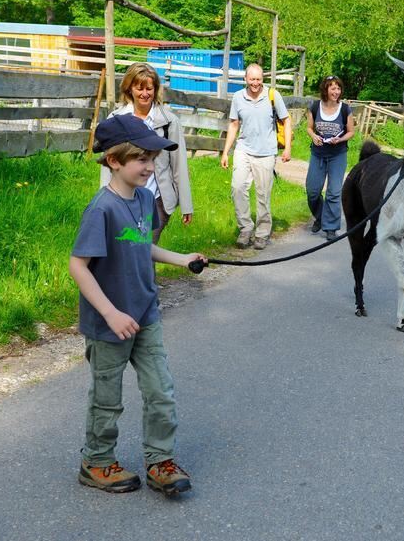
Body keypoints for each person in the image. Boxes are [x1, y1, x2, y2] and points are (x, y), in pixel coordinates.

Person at [69, 114, 207, 497]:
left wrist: (183, 259)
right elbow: (78, 266)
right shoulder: (102, 209)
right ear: (114, 160)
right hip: (110, 324)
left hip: (145, 314)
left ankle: (160, 460)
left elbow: (141, 244)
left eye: (153, 159)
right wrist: (110, 313)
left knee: (160, 391)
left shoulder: (146, 200)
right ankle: (96, 462)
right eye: (142, 159)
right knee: (107, 399)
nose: (150, 167)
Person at [101, 63, 193, 245]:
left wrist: (186, 204)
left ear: (155, 89)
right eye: (139, 88)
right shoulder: (116, 120)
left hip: (157, 201)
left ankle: (145, 273)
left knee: (145, 249)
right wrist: (104, 201)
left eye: (149, 88)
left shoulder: (168, 122)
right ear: (129, 89)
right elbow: (108, 166)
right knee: (127, 250)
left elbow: (179, 163)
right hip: (123, 199)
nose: (145, 94)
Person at [220, 63, 292, 250]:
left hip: (266, 152)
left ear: (263, 79)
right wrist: (226, 152)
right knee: (237, 188)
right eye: (252, 79)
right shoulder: (238, 97)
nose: (255, 83)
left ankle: (262, 233)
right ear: (245, 79)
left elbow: (286, 120)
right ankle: (245, 228)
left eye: (258, 79)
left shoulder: (272, 95)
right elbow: (234, 125)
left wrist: (287, 148)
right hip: (243, 149)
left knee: (263, 194)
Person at [306, 75, 355, 241]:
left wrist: (340, 139)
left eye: (338, 88)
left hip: (337, 155)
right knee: (312, 191)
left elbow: (351, 132)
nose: (336, 92)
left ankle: (331, 228)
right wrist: (313, 136)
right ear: (325, 89)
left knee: (334, 192)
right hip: (318, 154)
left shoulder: (345, 109)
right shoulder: (314, 107)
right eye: (333, 88)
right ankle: (320, 217)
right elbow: (309, 128)